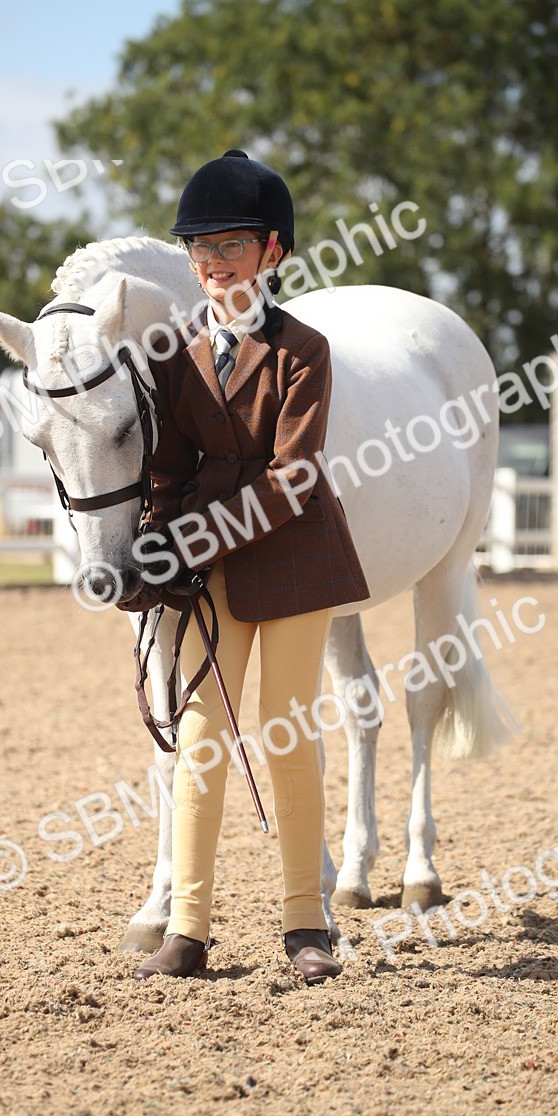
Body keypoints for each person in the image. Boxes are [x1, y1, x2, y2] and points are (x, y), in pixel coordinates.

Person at [133, 150, 369, 984]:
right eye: (198, 249)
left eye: (228, 246)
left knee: (285, 727)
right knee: (199, 732)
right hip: (211, 561)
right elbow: (164, 466)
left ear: (274, 252)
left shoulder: (304, 349)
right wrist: (157, 541)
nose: (210, 264)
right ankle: (187, 930)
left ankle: (307, 925)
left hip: (298, 556)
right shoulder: (173, 351)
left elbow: (295, 474)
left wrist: (193, 537)